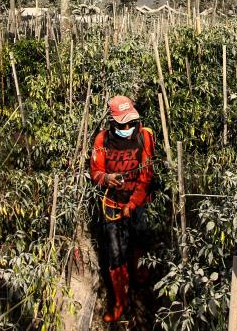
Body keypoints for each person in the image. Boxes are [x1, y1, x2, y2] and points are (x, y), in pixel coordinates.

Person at [90, 95, 155, 323]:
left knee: (140, 242)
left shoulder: (144, 137)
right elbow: (95, 172)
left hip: (137, 203)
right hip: (112, 205)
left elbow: (147, 176)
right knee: (115, 255)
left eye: (130, 122)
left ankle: (142, 282)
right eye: (122, 124)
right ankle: (120, 300)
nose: (127, 127)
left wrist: (132, 204)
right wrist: (107, 178)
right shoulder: (102, 141)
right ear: (113, 121)